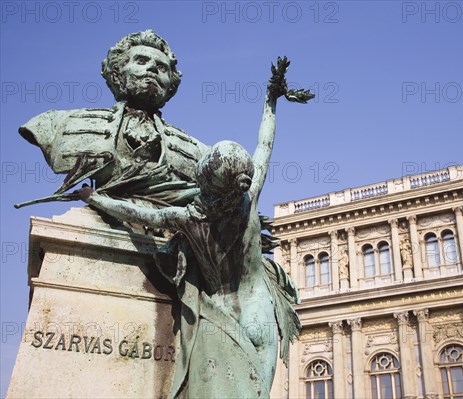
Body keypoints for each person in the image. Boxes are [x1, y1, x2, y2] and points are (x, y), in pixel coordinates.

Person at [76, 57, 305, 399]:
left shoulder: (190, 217)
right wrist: (271, 100)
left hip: (221, 313)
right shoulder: (249, 196)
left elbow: (140, 214)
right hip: (260, 309)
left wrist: (95, 199)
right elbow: (265, 144)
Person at [18, 30, 208, 208]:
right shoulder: (59, 123)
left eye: (161, 67)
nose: (152, 68)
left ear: (171, 87)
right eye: (141, 61)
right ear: (117, 74)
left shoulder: (199, 153)